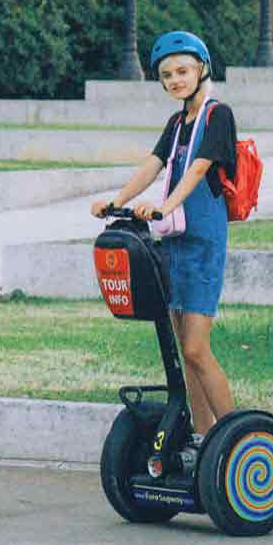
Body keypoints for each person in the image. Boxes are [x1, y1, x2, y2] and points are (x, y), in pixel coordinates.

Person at [89, 31, 237, 436]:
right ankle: (202, 438)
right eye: (167, 75)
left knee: (195, 347)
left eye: (183, 71)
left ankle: (236, 436)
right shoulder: (176, 122)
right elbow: (153, 165)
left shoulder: (217, 115)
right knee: (182, 353)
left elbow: (199, 168)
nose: (175, 80)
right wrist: (115, 200)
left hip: (203, 245)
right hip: (172, 244)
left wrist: (165, 205)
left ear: (202, 68)